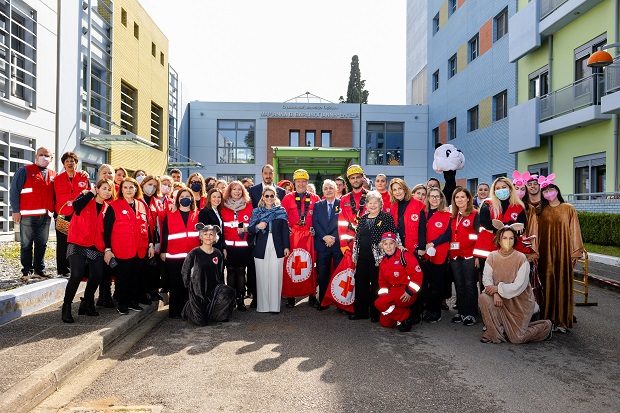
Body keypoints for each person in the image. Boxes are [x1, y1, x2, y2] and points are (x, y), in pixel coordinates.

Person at [479, 226, 552, 344]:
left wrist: (497, 288)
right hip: (500, 299)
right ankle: (493, 332)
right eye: (504, 238)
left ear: (515, 240)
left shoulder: (521, 258)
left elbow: (519, 286)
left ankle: (546, 326)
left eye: (511, 238)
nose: (508, 241)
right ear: (498, 240)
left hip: (519, 303)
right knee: (484, 298)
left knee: (517, 338)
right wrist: (496, 293)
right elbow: (486, 279)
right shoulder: (492, 256)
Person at [61, 179, 114, 323]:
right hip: (78, 242)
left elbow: (108, 231)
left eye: (109, 189)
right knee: (76, 274)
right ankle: (66, 306)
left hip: (96, 245)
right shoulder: (84, 198)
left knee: (96, 276)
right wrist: (90, 193)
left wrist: (108, 248)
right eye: (104, 188)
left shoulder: (108, 208)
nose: (107, 192)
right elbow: (76, 207)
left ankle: (87, 303)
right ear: (97, 188)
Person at [537, 175, 584, 333]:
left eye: (551, 189)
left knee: (563, 285)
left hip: (564, 254)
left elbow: (575, 230)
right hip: (545, 255)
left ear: (557, 190)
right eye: (545, 191)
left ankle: (562, 321)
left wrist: (575, 252)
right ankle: (547, 319)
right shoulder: (541, 211)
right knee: (546, 285)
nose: (548, 193)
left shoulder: (568, 208)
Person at [103, 177, 154, 315]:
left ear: (136, 189)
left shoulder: (141, 205)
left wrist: (150, 245)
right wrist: (108, 249)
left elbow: (147, 227)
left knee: (136, 275)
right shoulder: (113, 206)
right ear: (121, 190)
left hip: (140, 248)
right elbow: (106, 230)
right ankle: (122, 302)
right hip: (122, 248)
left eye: (131, 187)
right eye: (125, 187)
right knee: (123, 277)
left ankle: (132, 301)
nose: (128, 190)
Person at [10, 147, 56, 280]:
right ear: (36, 157)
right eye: (41, 155)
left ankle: (39, 270)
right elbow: (14, 191)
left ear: (51, 158)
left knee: (42, 244)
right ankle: (26, 271)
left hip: (45, 216)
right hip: (28, 216)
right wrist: (16, 210)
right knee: (26, 244)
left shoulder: (54, 175)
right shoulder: (24, 171)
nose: (44, 157)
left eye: (47, 155)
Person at [351, 190, 396, 321]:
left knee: (377, 284)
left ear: (380, 204)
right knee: (361, 284)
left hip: (378, 257)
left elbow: (393, 235)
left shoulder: (386, 217)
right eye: (370, 203)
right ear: (366, 205)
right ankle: (361, 312)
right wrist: (355, 253)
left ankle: (376, 313)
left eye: (375, 203)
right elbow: (357, 237)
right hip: (362, 256)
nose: (372, 205)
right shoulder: (363, 218)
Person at [181, 224, 236, 326]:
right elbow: (185, 271)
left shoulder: (218, 254)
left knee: (229, 292)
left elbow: (219, 272)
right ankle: (188, 309)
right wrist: (189, 286)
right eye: (205, 234)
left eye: (211, 234)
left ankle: (214, 315)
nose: (208, 236)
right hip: (198, 292)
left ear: (215, 237)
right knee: (201, 322)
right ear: (200, 236)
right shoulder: (194, 253)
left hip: (213, 289)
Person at [281, 169, 320, 308]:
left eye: (304, 181)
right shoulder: (287, 198)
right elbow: (282, 216)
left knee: (310, 265)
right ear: (294, 182)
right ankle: (291, 296)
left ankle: (312, 295)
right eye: (298, 181)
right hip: (293, 238)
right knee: (291, 266)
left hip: (309, 238)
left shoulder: (315, 198)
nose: (301, 184)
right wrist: (287, 228)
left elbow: (319, 217)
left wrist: (315, 229)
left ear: (307, 182)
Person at [248, 186, 290, 313]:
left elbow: (284, 231)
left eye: (272, 196)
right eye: (267, 196)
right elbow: (250, 230)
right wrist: (258, 227)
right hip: (261, 245)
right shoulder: (257, 211)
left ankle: (274, 306)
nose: (269, 198)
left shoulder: (281, 211)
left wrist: (286, 246)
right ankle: (263, 306)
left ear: (275, 197)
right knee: (262, 276)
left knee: (275, 274)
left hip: (277, 245)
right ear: (263, 197)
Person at [160, 188, 200, 319]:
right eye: (182, 196)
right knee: (176, 284)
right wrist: (163, 251)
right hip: (174, 255)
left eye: (187, 195)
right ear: (178, 199)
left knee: (189, 284)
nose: (185, 198)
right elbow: (165, 233)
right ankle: (175, 311)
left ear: (192, 198)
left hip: (192, 255)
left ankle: (188, 311)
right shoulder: (170, 213)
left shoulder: (197, 214)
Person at [375, 232, 422, 331]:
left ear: (396, 244)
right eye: (385, 244)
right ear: (382, 246)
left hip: (406, 291)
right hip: (393, 292)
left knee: (379, 304)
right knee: (386, 323)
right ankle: (408, 312)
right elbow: (382, 282)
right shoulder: (383, 262)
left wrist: (409, 292)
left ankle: (406, 316)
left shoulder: (404, 255)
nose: (388, 247)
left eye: (391, 243)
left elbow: (417, 275)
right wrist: (385, 298)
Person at [53, 152, 90, 277]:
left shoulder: (84, 177)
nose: (70, 163)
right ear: (63, 164)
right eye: (67, 161)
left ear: (76, 163)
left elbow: (89, 195)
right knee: (62, 242)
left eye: (72, 161)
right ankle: (62, 269)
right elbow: (53, 197)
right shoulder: (57, 179)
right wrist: (56, 213)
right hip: (63, 214)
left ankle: (76, 268)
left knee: (77, 241)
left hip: (79, 214)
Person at [418, 187, 452, 323]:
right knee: (427, 283)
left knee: (437, 283)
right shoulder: (423, 213)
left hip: (439, 253)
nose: (434, 199)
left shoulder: (446, 215)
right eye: (431, 196)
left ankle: (436, 312)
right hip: (425, 254)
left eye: (437, 196)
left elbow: (448, 234)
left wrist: (433, 243)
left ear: (441, 198)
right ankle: (429, 309)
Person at [473, 177, 526, 261]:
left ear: (510, 189)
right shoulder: (487, 204)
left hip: (511, 248)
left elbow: (521, 229)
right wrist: (510, 225)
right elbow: (485, 223)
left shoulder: (519, 206)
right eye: (497, 188)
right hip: (488, 249)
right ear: (494, 191)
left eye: (504, 187)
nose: (501, 190)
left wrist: (498, 226)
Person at [449, 187, 480, 326]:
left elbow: (480, 237)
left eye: (462, 197)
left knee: (470, 285)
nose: (459, 200)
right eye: (457, 197)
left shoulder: (475, 214)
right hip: (455, 256)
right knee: (459, 285)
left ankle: (471, 314)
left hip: (470, 255)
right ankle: (461, 312)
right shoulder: (452, 216)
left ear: (468, 198)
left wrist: (478, 255)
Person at [221, 180, 253, 311]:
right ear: (229, 191)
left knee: (241, 271)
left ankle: (240, 299)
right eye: (234, 189)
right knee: (230, 271)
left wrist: (246, 228)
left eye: (239, 189)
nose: (236, 191)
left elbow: (253, 224)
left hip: (243, 246)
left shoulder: (249, 206)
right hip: (228, 247)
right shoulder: (223, 206)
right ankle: (231, 298)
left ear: (243, 192)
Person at [313, 180, 343, 310]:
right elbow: (315, 222)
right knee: (323, 274)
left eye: (331, 188)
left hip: (337, 245)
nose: (328, 190)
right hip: (322, 243)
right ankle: (323, 301)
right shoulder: (317, 205)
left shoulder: (341, 204)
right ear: (323, 190)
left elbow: (343, 222)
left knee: (338, 273)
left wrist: (333, 238)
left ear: (336, 189)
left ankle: (339, 302)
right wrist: (325, 237)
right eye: (326, 188)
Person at [140, 175, 166, 302]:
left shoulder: (156, 201)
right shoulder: (138, 199)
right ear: (143, 183)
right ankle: (144, 292)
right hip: (143, 238)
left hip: (156, 239)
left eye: (155, 186)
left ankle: (153, 290)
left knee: (155, 267)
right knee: (144, 268)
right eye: (150, 184)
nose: (152, 188)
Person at [96, 164, 117, 307]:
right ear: (99, 174)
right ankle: (100, 295)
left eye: (110, 173)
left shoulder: (115, 194)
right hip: (96, 237)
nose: (107, 175)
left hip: (111, 236)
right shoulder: (93, 193)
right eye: (104, 172)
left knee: (109, 267)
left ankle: (107, 295)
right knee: (98, 268)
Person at [388, 178, 426, 254]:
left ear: (405, 189)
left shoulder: (418, 204)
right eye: (394, 190)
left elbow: (422, 228)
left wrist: (422, 247)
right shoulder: (393, 206)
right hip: (398, 246)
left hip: (414, 247)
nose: (397, 192)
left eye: (400, 188)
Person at [338, 165, 367, 254]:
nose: (355, 180)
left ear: (362, 178)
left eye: (358, 177)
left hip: (368, 242)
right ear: (349, 180)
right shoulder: (344, 199)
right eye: (352, 178)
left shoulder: (372, 196)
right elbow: (342, 223)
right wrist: (343, 244)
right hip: (350, 244)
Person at [198, 188, 227, 271]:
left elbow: (221, 232)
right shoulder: (205, 212)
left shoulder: (218, 212)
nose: (217, 199)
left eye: (219, 197)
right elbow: (203, 233)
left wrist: (223, 248)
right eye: (214, 197)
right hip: (210, 249)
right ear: (209, 199)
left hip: (219, 247)